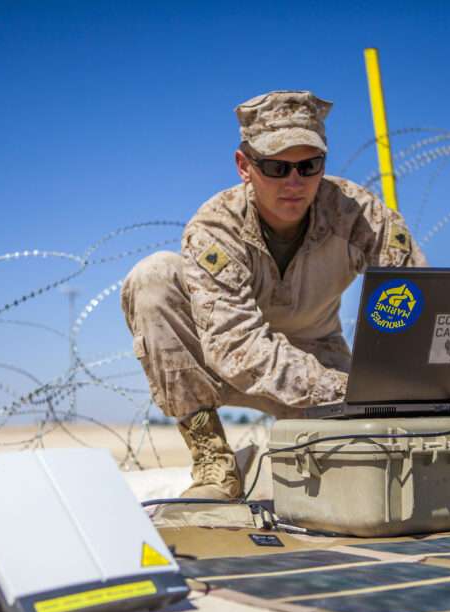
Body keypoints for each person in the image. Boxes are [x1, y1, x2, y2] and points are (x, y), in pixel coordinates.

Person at [121, 90, 427, 500]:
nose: (294, 183)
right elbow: (235, 346)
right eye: (276, 167)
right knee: (154, 275)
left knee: (358, 482)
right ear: (244, 166)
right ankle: (214, 464)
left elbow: (419, 300)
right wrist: (346, 388)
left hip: (320, 356)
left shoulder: (358, 214)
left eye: (308, 166)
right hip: (219, 362)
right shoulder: (216, 228)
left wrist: (408, 388)